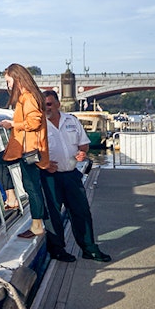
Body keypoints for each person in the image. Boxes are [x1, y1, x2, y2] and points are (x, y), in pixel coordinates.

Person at [41, 90, 112, 262]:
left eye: (49, 104)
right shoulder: (39, 124)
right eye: (44, 105)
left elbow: (84, 144)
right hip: (50, 176)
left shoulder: (71, 120)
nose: (46, 108)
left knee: (81, 212)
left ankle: (89, 249)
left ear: (58, 104)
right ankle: (58, 250)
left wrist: (81, 153)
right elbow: (33, 150)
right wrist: (43, 164)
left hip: (71, 174)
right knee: (53, 216)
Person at [0, 64, 52, 242]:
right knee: (31, 186)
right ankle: (13, 200)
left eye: (8, 81)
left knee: (32, 187)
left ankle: (36, 224)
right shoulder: (30, 96)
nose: (8, 86)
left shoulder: (28, 97)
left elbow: (34, 122)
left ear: (17, 78)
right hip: (28, 149)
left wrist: (12, 124)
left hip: (28, 150)